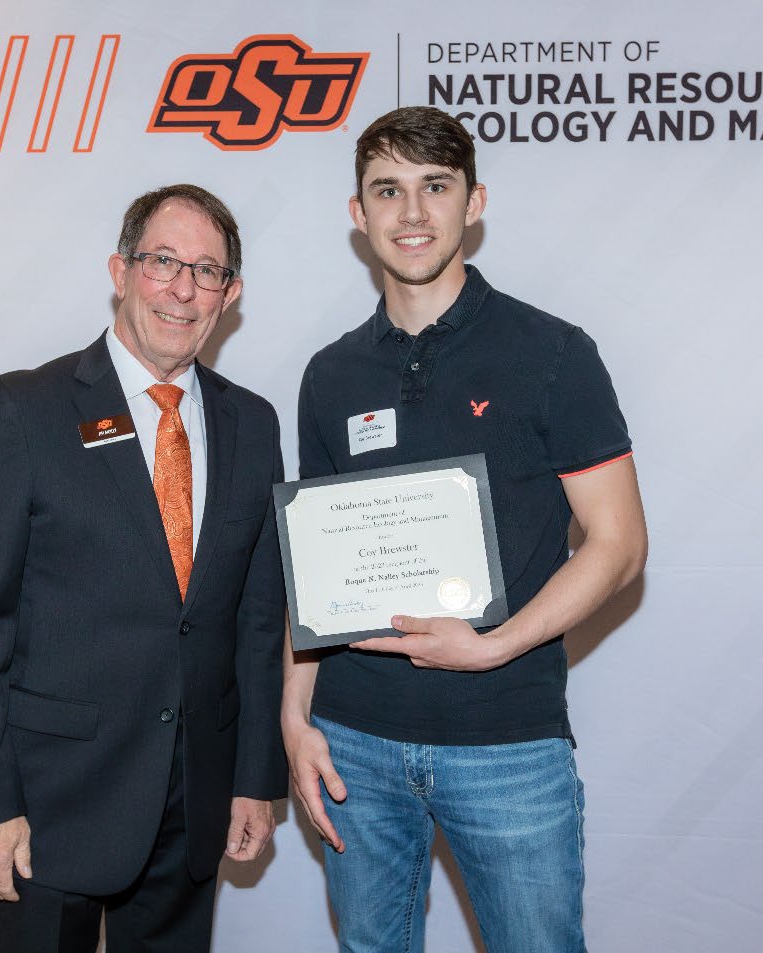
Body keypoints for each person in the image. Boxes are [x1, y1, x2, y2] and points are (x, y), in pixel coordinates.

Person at [282, 106, 648, 953]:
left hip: (506, 743)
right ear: (358, 213)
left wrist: (494, 644)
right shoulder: (329, 374)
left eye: (434, 187)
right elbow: (313, 571)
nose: (412, 213)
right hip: (354, 745)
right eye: (388, 190)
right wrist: (296, 720)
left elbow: (619, 542)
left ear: (473, 202)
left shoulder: (553, 352)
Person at [0, 184, 288, 953]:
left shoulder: (253, 424)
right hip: (51, 804)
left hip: (194, 804)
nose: (182, 288)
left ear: (230, 294)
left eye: (207, 269)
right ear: (121, 271)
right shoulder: (22, 411)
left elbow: (260, 621)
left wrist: (256, 776)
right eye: (163, 261)